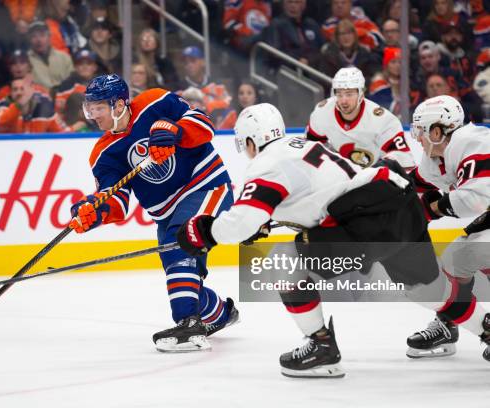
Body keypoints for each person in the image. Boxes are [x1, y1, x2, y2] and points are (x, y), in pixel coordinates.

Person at [175, 102, 487, 378]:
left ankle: (321, 348)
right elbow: (317, 194)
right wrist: (265, 220)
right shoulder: (303, 147)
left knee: (282, 261)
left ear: (251, 141)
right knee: (427, 290)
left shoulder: (265, 164)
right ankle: (486, 326)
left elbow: (242, 222)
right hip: (399, 201)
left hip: (365, 223)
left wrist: (204, 231)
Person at [69, 74, 238, 352]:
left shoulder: (155, 102)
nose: (94, 114)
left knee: (179, 243)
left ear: (119, 104)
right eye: (91, 107)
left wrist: (175, 132)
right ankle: (220, 313)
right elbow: (117, 200)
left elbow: (204, 125)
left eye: (100, 107)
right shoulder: (104, 153)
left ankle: (188, 323)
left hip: (206, 187)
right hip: (166, 213)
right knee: (178, 268)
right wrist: (94, 211)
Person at [406, 95, 490, 361]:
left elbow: (476, 199)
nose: (417, 137)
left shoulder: (473, 142)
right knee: (457, 260)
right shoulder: (441, 154)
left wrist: (433, 209)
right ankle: (447, 322)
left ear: (437, 130)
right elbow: (414, 185)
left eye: (420, 130)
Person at [306, 67, 414, 169]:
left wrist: (379, 171)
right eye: (339, 94)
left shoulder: (382, 120)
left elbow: (404, 160)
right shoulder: (323, 112)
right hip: (340, 178)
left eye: (349, 94)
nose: (343, 101)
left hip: (375, 180)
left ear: (361, 94)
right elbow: (308, 149)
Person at [0, 77, 66, 133]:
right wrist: (18, 106)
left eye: (22, 89)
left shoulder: (45, 110)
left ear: (31, 91)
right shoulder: (6, 107)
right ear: (11, 93)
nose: (19, 93)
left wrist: (77, 124)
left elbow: (65, 134)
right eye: (15, 89)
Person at [28, 19, 74, 89]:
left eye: (42, 35)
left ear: (49, 37)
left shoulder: (64, 57)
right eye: (34, 36)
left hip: (64, 96)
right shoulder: (26, 60)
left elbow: (73, 82)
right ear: (29, 40)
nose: (39, 40)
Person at [54, 48, 101, 113]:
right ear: (75, 67)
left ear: (95, 67)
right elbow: (59, 109)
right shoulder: (66, 85)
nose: (85, 67)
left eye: (88, 64)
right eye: (81, 64)